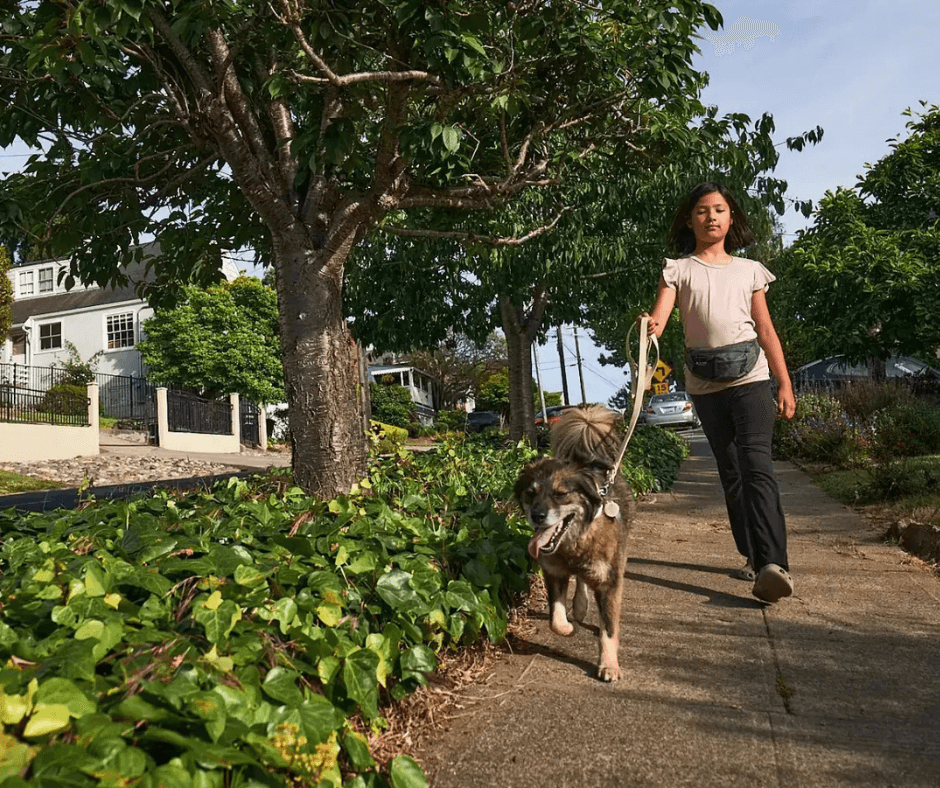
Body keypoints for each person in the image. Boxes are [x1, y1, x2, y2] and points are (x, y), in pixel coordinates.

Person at [640, 182, 797, 603]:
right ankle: (751, 553)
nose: (712, 217)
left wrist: (784, 382)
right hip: (705, 385)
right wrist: (649, 327)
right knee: (731, 472)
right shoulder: (678, 269)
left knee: (757, 465)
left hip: (751, 378)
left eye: (720, 210)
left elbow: (765, 330)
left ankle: (773, 564)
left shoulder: (750, 270)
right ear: (690, 220)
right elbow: (661, 315)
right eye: (703, 211)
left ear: (731, 219)